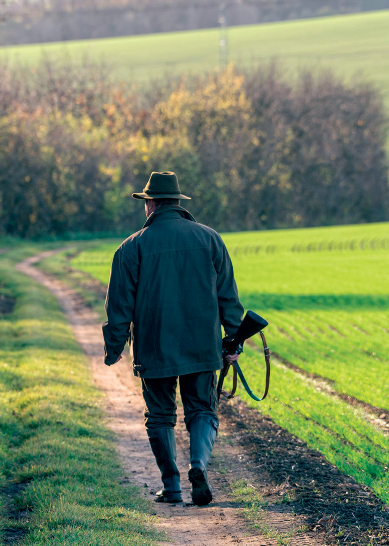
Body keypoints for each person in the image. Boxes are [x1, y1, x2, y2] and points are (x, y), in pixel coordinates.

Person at [102, 171, 244, 506]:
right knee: (201, 409)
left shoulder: (130, 247)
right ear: (178, 203)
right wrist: (234, 339)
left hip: (154, 347)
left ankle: (173, 486)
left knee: (160, 415)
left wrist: (114, 347)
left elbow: (119, 306)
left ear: (149, 204)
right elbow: (228, 298)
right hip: (202, 345)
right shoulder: (211, 240)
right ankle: (198, 465)